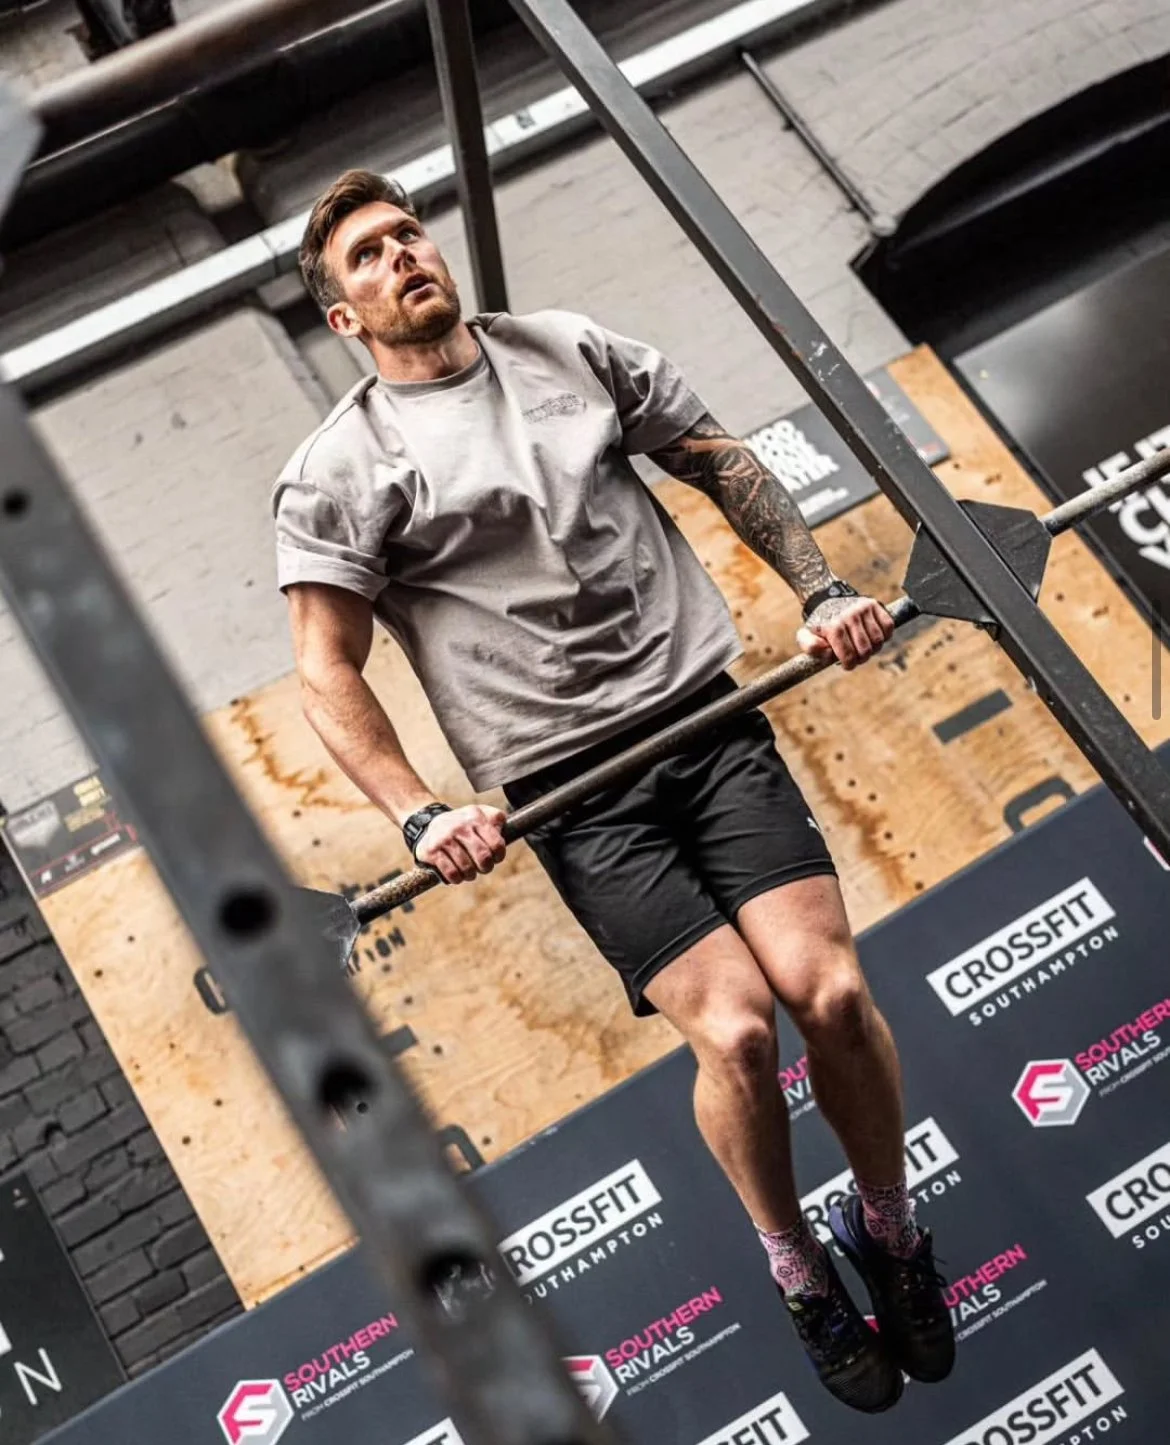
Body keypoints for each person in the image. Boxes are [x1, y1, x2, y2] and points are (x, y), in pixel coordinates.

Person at [273, 169, 955, 1413]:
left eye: (408, 233)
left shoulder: (570, 350)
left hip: (706, 718)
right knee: (740, 1031)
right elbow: (324, 668)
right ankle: (795, 1262)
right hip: (574, 788)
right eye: (368, 258)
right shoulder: (340, 466)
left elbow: (716, 458)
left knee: (832, 991)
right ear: (344, 320)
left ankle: (892, 1229)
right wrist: (420, 811)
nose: (403, 257)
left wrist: (820, 590)